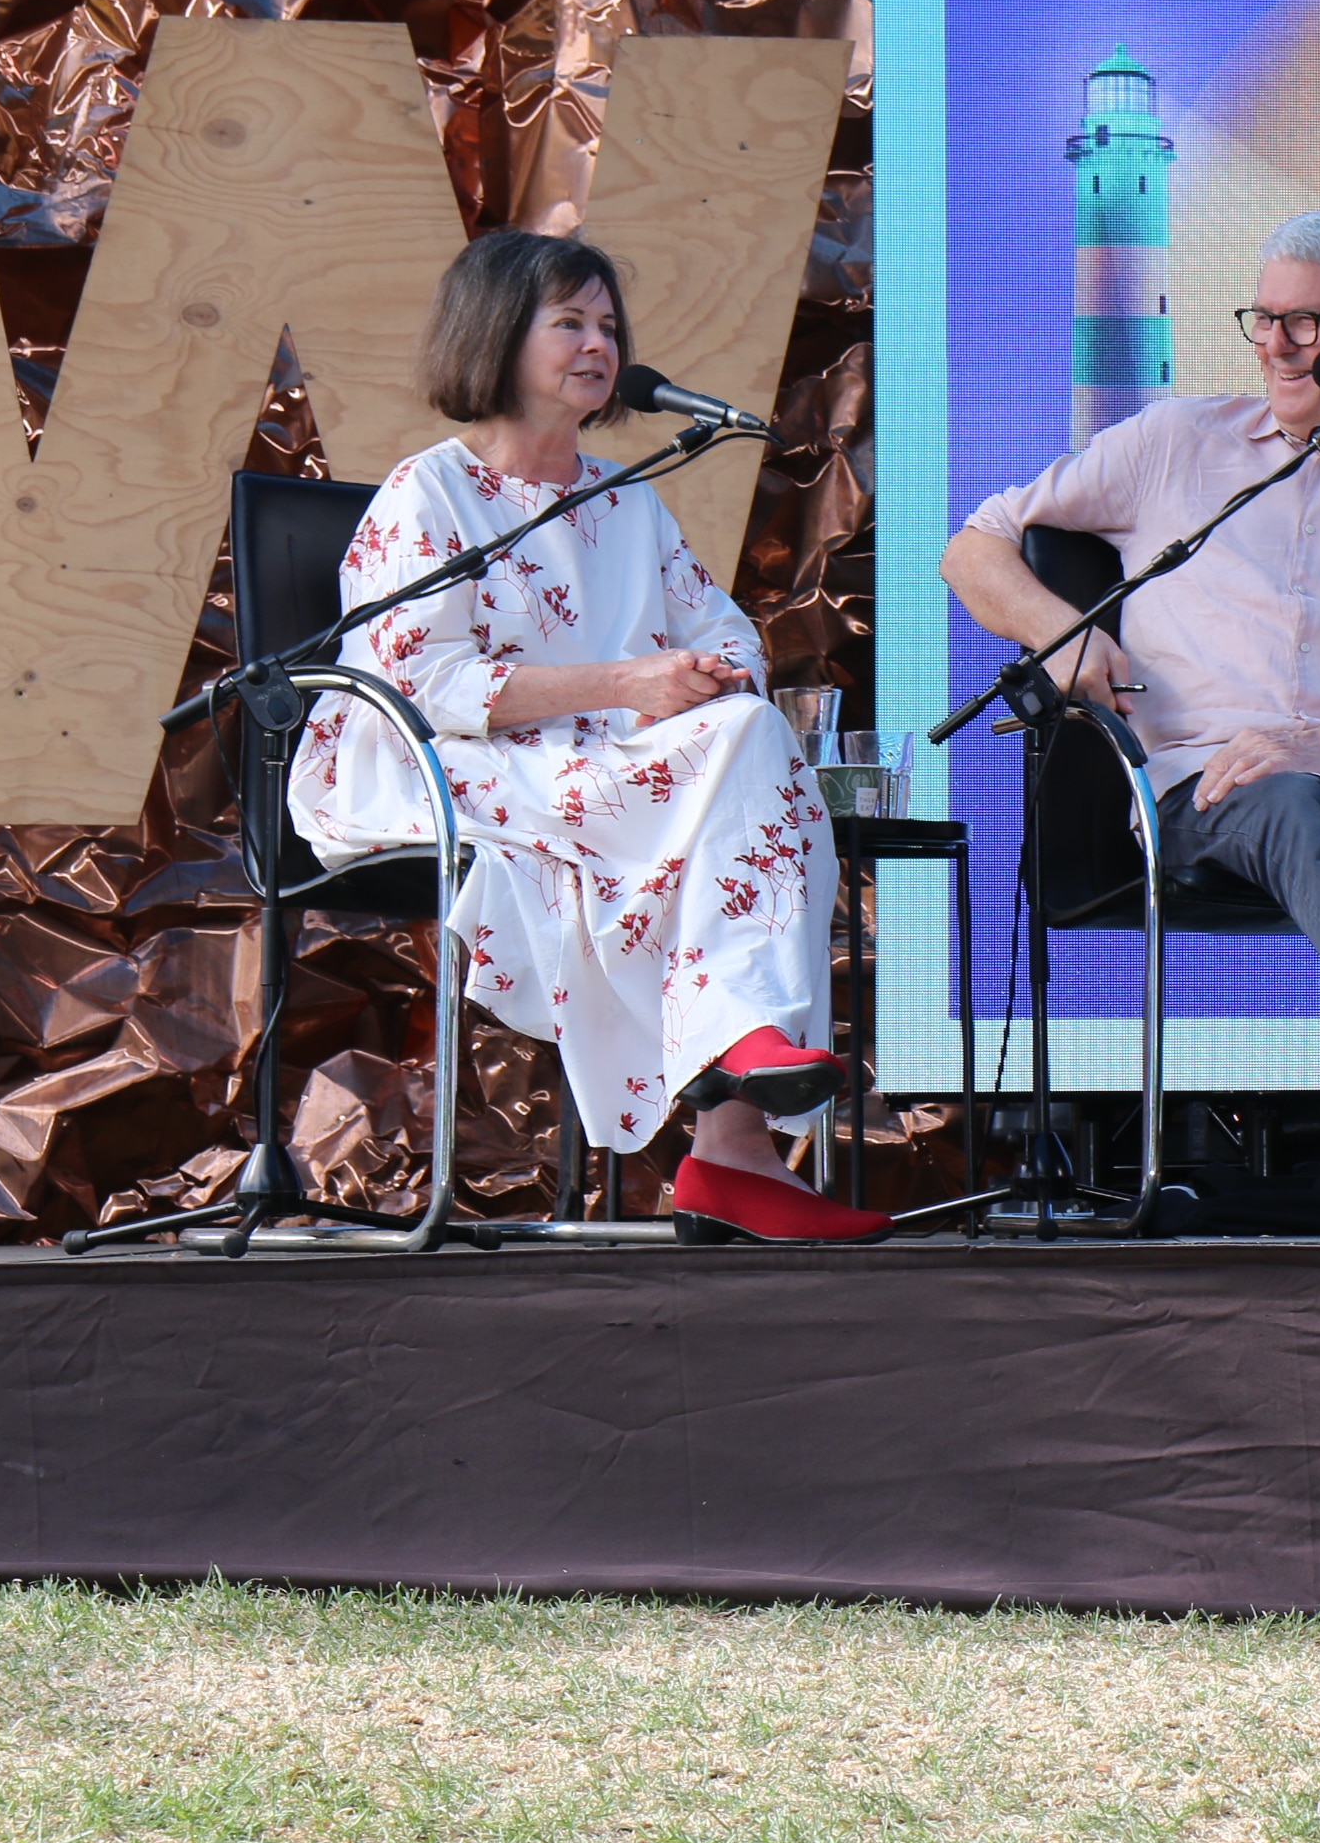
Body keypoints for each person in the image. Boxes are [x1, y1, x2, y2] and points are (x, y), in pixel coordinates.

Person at [944, 209, 1320, 1235]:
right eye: (1263, 317)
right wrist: (1061, 635)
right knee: (1288, 799)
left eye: (1306, 321)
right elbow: (978, 546)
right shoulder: (1175, 442)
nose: (1276, 344)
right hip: (1213, 786)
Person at [290, 229, 884, 1244]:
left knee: (741, 731)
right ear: (497, 334)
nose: (598, 342)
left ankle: (736, 1114)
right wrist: (627, 683)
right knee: (738, 761)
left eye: (607, 324)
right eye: (569, 320)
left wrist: (701, 673)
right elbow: (424, 684)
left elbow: (722, 630)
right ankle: (732, 1137)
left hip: (612, 763)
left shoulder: (624, 496)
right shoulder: (426, 492)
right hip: (437, 766)